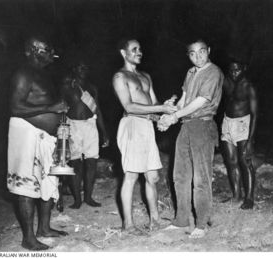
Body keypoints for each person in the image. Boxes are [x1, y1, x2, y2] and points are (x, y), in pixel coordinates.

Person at [158, 39, 224, 239]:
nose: (198, 57)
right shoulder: (190, 72)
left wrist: (174, 117)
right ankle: (181, 220)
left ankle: (202, 224)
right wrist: (168, 114)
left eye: (202, 52)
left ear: (209, 50)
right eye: (193, 54)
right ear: (188, 55)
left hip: (202, 125)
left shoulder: (214, 72)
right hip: (186, 126)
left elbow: (200, 101)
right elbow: (185, 99)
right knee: (180, 175)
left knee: (201, 178)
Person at [7, 36, 69, 250]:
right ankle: (28, 238)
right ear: (33, 50)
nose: (52, 52)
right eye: (47, 49)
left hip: (46, 137)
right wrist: (51, 109)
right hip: (26, 133)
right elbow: (15, 107)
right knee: (26, 185)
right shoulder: (23, 73)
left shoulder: (43, 74)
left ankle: (44, 228)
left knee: (48, 181)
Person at [112, 38, 177, 235]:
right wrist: (160, 108)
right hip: (132, 124)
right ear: (124, 53)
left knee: (153, 176)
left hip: (147, 126)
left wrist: (165, 115)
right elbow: (129, 106)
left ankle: (154, 219)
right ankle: (128, 225)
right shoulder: (119, 77)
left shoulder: (145, 76)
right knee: (131, 175)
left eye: (140, 49)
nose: (139, 52)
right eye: (134, 49)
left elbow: (155, 103)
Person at [60, 61, 110, 209]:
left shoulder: (92, 88)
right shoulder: (66, 87)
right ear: (74, 69)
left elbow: (97, 110)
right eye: (80, 67)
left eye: (85, 67)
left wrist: (104, 132)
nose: (83, 69)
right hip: (73, 126)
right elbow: (60, 108)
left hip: (90, 125)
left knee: (91, 162)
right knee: (75, 163)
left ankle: (88, 197)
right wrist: (60, 133)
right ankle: (77, 200)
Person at [220, 59, 257, 209]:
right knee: (231, 161)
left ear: (244, 68)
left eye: (237, 70)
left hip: (243, 124)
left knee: (245, 161)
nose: (234, 73)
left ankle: (249, 198)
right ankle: (236, 195)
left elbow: (255, 114)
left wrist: (250, 140)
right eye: (231, 70)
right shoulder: (226, 82)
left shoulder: (248, 87)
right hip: (227, 122)